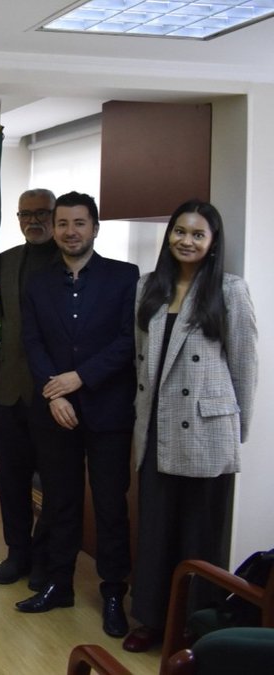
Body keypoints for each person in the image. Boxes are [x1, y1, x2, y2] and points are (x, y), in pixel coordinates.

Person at [122, 200, 258, 653]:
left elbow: (245, 366)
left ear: (213, 243)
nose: (187, 240)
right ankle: (149, 619)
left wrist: (236, 432)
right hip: (156, 427)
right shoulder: (148, 287)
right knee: (155, 530)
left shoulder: (229, 290)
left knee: (199, 535)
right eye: (180, 231)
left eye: (198, 234)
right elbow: (140, 358)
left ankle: (192, 629)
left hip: (207, 431)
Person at [16, 192, 138, 640]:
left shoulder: (125, 277)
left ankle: (113, 593)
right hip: (55, 411)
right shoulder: (37, 282)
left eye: (79, 223)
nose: (70, 232)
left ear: (95, 228)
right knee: (60, 502)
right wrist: (54, 392)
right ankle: (59, 584)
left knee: (109, 505)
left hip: (108, 411)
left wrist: (79, 378)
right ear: (55, 228)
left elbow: (127, 342)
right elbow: (33, 342)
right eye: (63, 223)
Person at [0, 189, 59, 587]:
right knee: (12, 480)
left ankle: (44, 555)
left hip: (55, 395)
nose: (33, 221)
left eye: (42, 213)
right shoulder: (3, 262)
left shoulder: (69, 259)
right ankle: (17, 552)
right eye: (25, 214)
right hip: (9, 391)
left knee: (55, 484)